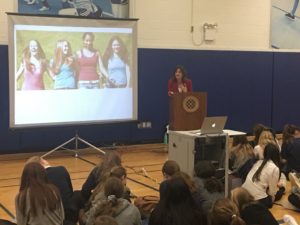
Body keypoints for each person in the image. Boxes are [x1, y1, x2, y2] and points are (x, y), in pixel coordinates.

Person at [26, 156, 80, 225]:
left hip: (48, 217)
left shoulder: (34, 181)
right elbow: (70, 191)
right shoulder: (61, 169)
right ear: (42, 161)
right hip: (68, 213)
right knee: (77, 194)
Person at [242, 143, 281, 208]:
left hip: (243, 194)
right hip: (257, 199)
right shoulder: (275, 168)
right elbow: (272, 192)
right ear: (277, 155)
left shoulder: (258, 162)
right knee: (281, 190)